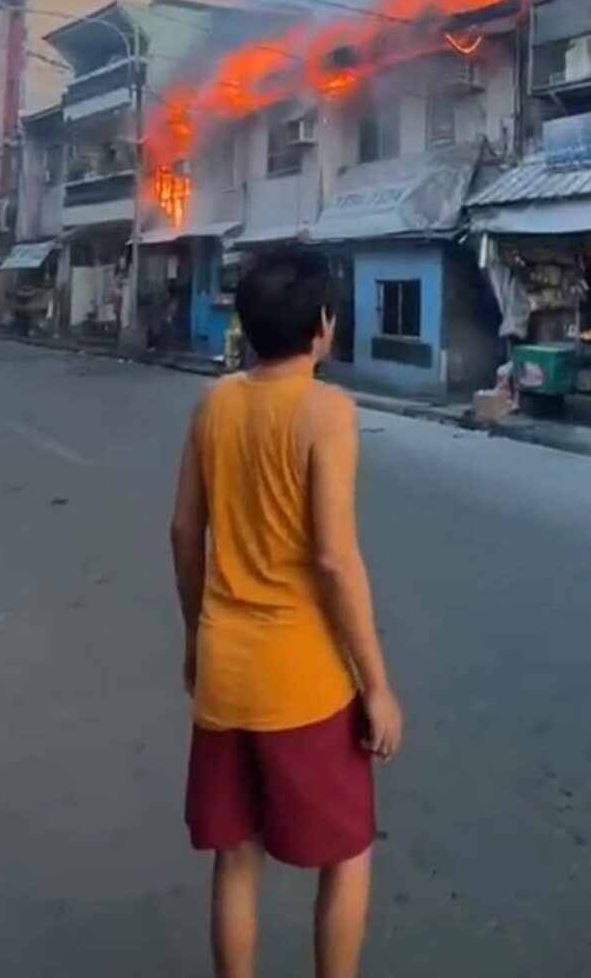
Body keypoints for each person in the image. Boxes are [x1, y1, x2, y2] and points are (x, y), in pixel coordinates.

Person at [171, 246, 402, 978]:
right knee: (348, 854)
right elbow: (334, 559)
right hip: (302, 682)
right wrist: (376, 684)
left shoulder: (216, 404)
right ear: (323, 327)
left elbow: (184, 531)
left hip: (224, 675)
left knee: (237, 857)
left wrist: (192, 636)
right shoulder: (326, 410)